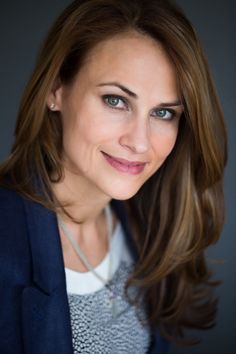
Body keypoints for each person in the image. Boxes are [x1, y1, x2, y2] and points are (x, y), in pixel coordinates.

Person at [0, 0, 227, 353]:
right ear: (56, 90)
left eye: (164, 112)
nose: (139, 142)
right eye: (116, 101)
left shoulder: (148, 227)